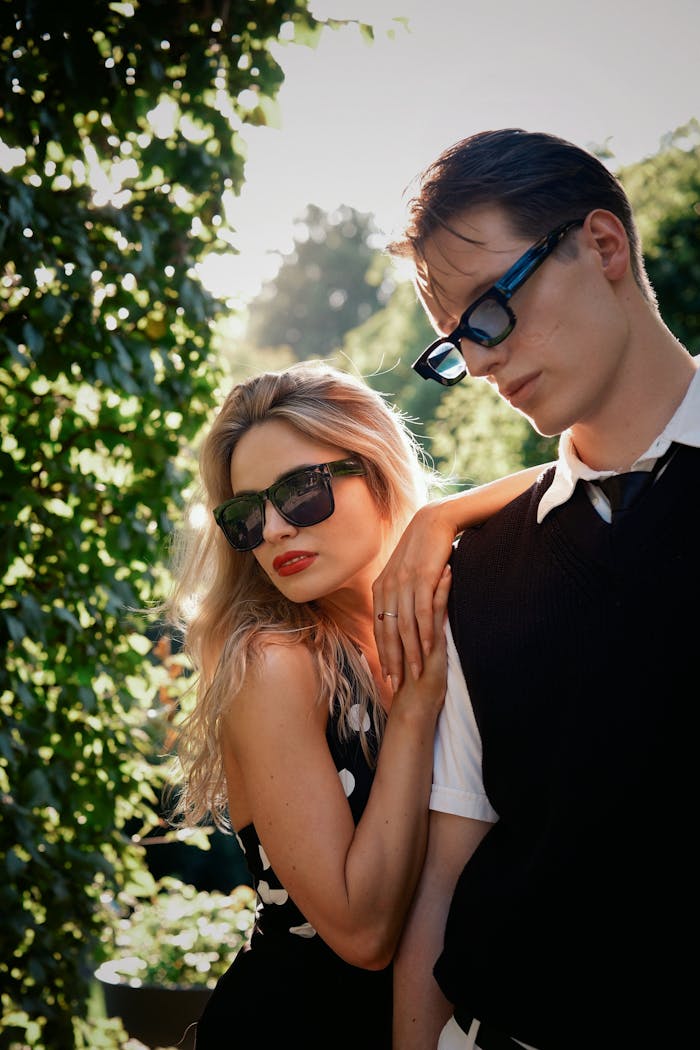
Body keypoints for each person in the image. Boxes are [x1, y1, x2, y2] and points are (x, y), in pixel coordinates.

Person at [370, 128, 700, 1050]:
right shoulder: (477, 570)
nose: (477, 362)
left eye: (490, 309)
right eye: (454, 342)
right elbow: (448, 875)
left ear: (603, 245)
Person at [163, 361, 541, 1049]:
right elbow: (361, 934)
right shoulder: (274, 664)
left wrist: (441, 515)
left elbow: (588, 475)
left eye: (299, 493)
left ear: (374, 470)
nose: (274, 529)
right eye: (247, 514)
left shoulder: (442, 606)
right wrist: (417, 712)